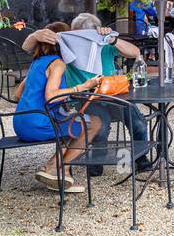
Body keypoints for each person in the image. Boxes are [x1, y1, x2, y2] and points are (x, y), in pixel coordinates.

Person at [22, 14, 153, 172]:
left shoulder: (105, 44)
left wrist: (113, 39)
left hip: (114, 93)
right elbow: (27, 47)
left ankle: (141, 158)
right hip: (84, 98)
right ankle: (96, 161)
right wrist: (34, 35)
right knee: (101, 124)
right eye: (76, 35)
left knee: (137, 121)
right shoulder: (67, 47)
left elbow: (135, 52)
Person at [11, 21, 104, 193]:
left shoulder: (37, 63)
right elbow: (51, 95)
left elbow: (17, 95)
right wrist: (82, 87)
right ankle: (56, 166)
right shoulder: (58, 63)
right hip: (37, 124)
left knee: (73, 123)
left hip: (20, 123)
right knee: (94, 123)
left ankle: (63, 173)